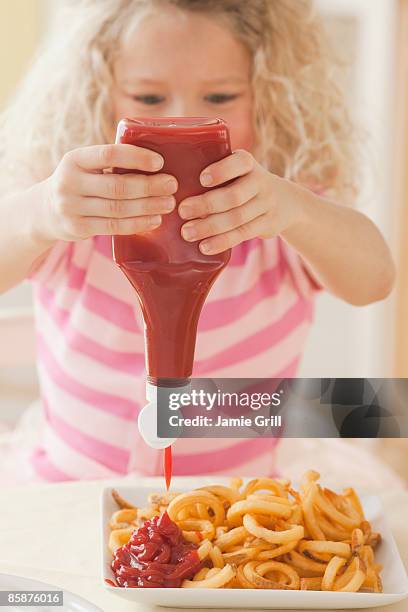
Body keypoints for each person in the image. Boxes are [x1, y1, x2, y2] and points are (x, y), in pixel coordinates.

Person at [0, 0, 395, 483]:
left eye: (220, 97)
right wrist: (40, 212)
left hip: (232, 507)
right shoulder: (76, 218)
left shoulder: (277, 222)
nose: (181, 120)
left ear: (269, 97)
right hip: (70, 494)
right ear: (99, 95)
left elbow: (374, 279)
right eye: (148, 99)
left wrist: (296, 209)